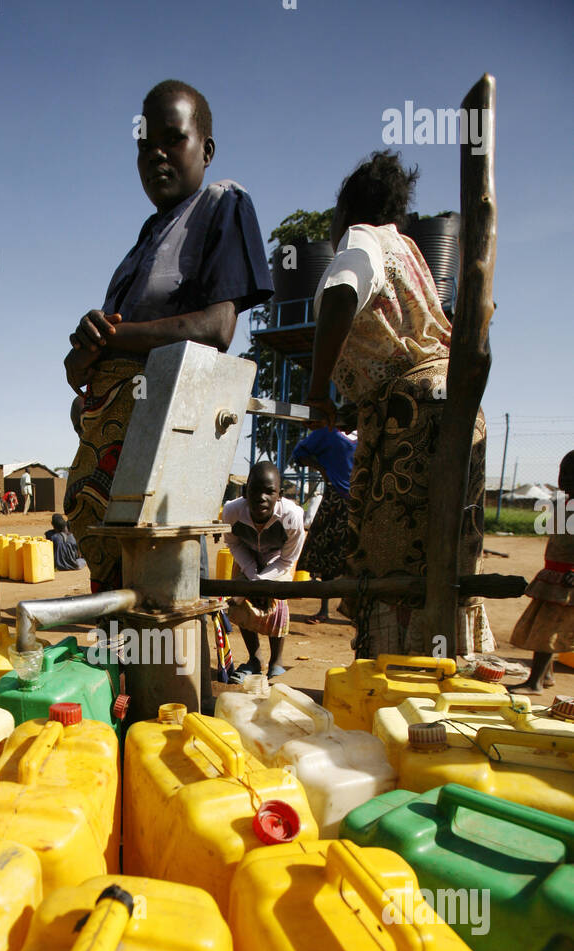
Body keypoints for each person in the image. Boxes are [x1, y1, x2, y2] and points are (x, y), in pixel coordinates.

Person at [63, 78, 273, 590]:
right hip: (112, 454)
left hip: (163, 452)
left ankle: (182, 671)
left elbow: (216, 327)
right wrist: (87, 340)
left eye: (172, 139)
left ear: (206, 148)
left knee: (166, 597)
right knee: (120, 611)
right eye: (144, 145)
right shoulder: (143, 243)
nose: (156, 154)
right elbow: (76, 372)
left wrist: (115, 337)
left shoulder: (222, 203)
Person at [306, 150, 492, 659]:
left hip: (414, 422)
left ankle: (396, 684)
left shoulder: (362, 237)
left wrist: (319, 387)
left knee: (394, 563)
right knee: (446, 562)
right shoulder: (411, 251)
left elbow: (344, 291)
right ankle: (441, 680)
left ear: (347, 210)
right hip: (453, 408)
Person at [222, 462, 304, 680]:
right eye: (255, 490)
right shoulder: (232, 512)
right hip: (247, 556)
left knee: (276, 603)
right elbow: (234, 544)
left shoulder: (291, 517)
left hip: (279, 560)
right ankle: (255, 659)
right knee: (240, 603)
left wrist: (262, 582)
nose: (261, 497)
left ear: (280, 495)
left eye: (269, 491)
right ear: (244, 491)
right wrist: (251, 577)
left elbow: (288, 559)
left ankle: (277, 662)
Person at [509, 451, 574, 694]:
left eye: (572, 474)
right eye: (563, 472)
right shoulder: (564, 504)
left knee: (547, 631)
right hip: (553, 576)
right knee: (543, 626)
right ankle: (546, 676)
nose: (565, 478)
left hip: (567, 580)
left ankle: (534, 682)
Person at [291, 421, 357, 621]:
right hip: (336, 498)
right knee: (327, 550)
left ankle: (354, 610)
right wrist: (322, 468)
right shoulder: (328, 433)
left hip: (362, 500)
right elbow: (299, 453)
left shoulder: (369, 432)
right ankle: (324, 609)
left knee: (357, 553)